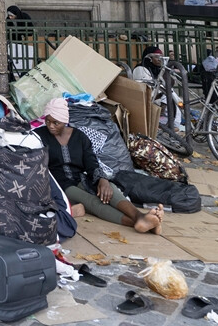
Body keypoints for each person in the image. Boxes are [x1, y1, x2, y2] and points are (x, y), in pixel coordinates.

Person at [34, 98, 163, 234]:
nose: (51, 126)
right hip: (60, 185)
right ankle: (141, 223)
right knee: (93, 202)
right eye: (48, 121)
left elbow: (91, 162)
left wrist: (103, 180)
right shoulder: (39, 136)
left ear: (65, 121)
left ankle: (141, 217)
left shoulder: (79, 137)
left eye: (56, 122)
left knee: (109, 190)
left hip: (80, 178)